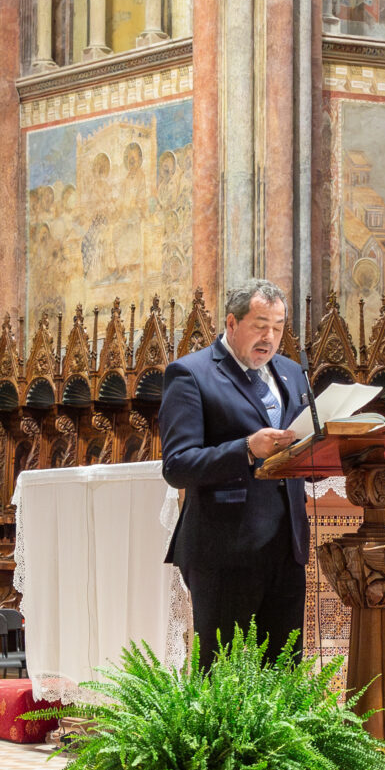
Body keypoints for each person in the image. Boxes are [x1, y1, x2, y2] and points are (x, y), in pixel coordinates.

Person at [158, 277, 313, 665]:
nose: (270, 337)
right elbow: (178, 466)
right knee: (219, 673)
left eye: (277, 328)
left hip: (286, 546)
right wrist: (246, 449)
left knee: (283, 672)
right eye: (260, 326)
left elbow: (299, 449)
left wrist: (325, 453)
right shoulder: (191, 374)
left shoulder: (292, 374)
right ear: (231, 323)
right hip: (223, 549)